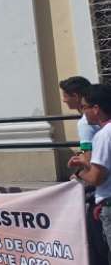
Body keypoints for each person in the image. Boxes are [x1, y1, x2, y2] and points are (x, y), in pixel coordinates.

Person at [60, 76, 108, 264]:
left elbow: (89, 159)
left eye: (66, 95)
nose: (63, 100)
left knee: (98, 243)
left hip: (102, 191)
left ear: (77, 96)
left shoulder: (85, 124)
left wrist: (79, 172)